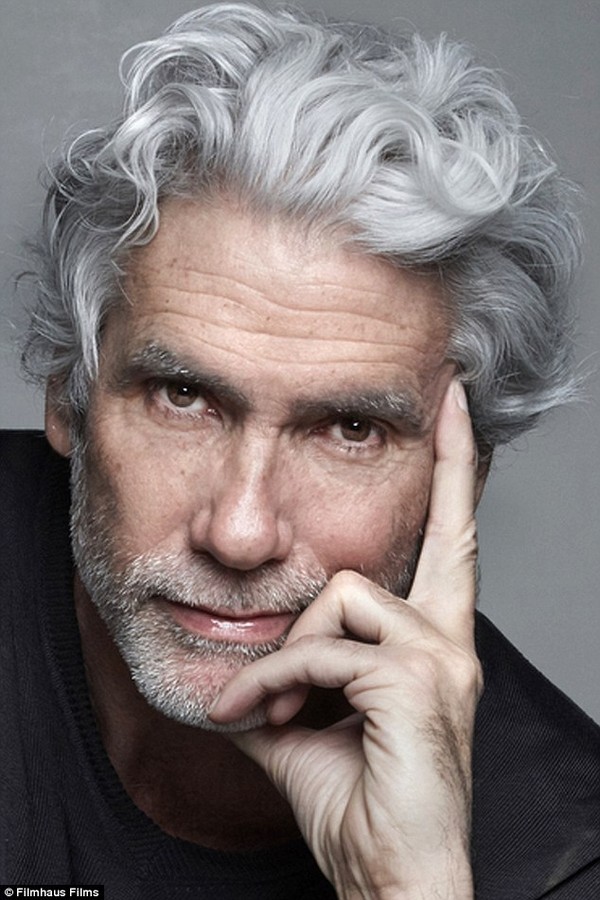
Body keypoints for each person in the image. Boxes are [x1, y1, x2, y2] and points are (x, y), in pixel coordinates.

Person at [1, 3, 599, 897]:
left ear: (464, 473)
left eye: (351, 430)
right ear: (68, 392)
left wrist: (410, 886)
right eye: (183, 396)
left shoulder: (564, 849)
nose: (240, 533)